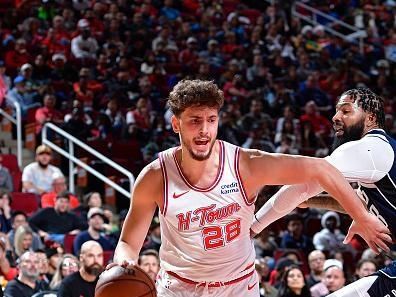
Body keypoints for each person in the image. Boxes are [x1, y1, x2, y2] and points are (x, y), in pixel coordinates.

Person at [111, 80, 389, 297]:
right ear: (176, 124)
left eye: (211, 119)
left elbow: (321, 169)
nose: (205, 130)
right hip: (180, 286)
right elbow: (127, 243)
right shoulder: (155, 176)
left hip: (238, 286)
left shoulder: (246, 164)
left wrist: (362, 216)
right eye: (195, 121)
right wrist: (124, 263)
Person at [250, 87, 396, 296]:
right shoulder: (380, 154)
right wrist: (311, 201)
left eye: (346, 111)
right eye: (336, 111)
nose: (336, 117)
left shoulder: (371, 148)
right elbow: (354, 202)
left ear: (370, 118)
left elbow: (304, 184)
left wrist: (253, 228)